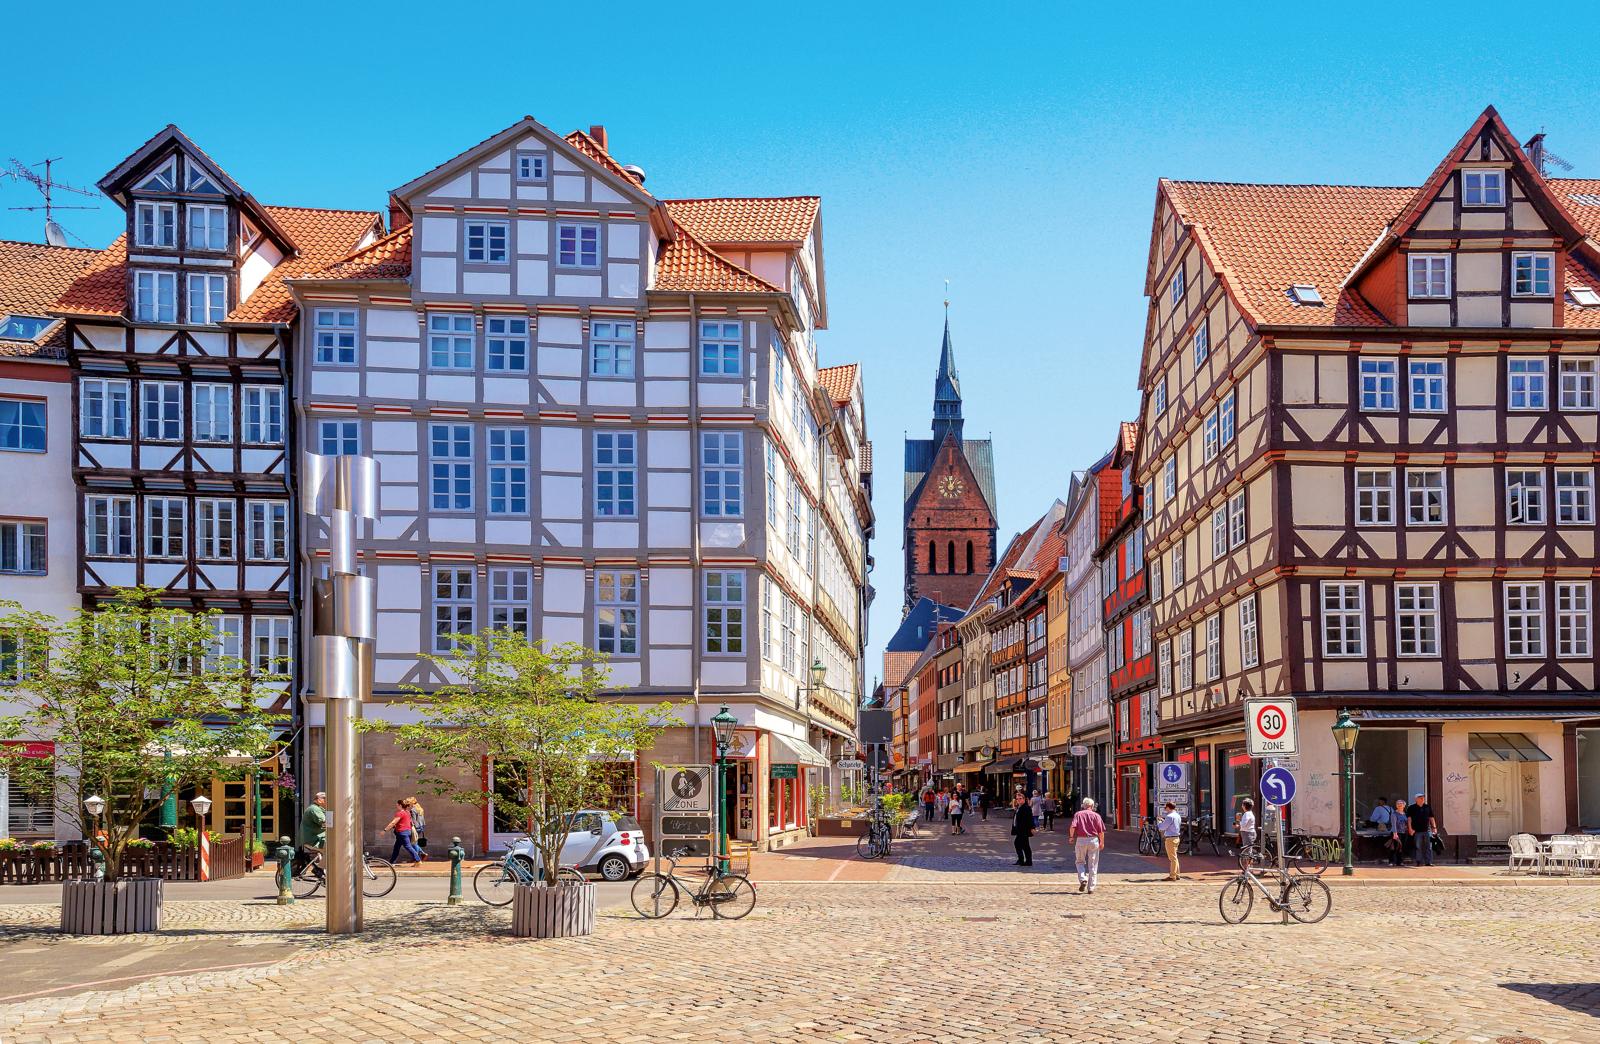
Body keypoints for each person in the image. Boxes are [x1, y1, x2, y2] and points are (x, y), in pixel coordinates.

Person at [1068, 797, 1106, 893]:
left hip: (1081, 839)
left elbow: (1072, 827)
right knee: (1093, 864)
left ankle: (1083, 878)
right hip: (1093, 840)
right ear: (1092, 806)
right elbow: (1101, 831)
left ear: (1083, 806)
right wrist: (1102, 842)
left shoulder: (1078, 814)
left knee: (1079, 861)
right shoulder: (1096, 816)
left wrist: (1071, 837)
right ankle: (1091, 888)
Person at [296, 791, 328, 878]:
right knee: (332, 849)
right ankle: (319, 869)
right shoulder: (314, 809)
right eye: (326, 799)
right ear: (319, 800)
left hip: (316, 838)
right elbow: (325, 822)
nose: (328, 801)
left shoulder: (318, 809)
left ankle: (321, 869)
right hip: (313, 840)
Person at [386, 797, 424, 865]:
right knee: (396, 847)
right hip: (405, 831)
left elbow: (394, 822)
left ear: (400, 805)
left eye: (397, 805)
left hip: (402, 832)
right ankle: (391, 862)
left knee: (408, 846)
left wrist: (385, 830)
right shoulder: (408, 812)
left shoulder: (401, 813)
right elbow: (408, 821)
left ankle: (418, 860)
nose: (396, 806)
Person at [1407, 792, 1437, 867]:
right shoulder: (1411, 808)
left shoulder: (1427, 807)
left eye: (1423, 797)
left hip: (1427, 830)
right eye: (1420, 797)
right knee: (1418, 847)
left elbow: (1431, 818)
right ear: (1416, 799)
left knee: (1429, 847)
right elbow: (1409, 819)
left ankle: (1428, 862)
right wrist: (1410, 829)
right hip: (1416, 831)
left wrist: (1434, 828)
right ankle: (1418, 861)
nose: (1422, 798)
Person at [1011, 791, 1035, 866]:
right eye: (1017, 799)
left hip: (1024, 830)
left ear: (1025, 799)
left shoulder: (1026, 808)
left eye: (1020, 798)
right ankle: (1024, 860)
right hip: (1019, 830)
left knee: (1020, 844)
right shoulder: (1019, 807)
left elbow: (1030, 819)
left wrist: (1032, 827)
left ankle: (1025, 860)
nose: (1018, 800)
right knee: (1024, 845)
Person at [1160, 801, 1183, 881]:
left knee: (1172, 858)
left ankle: (1172, 876)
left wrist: (1159, 822)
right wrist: (1164, 821)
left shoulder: (1169, 816)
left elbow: (1162, 827)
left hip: (1170, 838)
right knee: (1175, 857)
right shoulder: (1177, 815)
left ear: (1169, 807)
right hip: (1176, 837)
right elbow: (1172, 825)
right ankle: (1177, 874)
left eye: (1165, 807)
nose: (1165, 809)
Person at [1388, 797, 1408, 867]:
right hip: (1396, 833)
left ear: (1404, 805)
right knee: (1394, 848)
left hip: (1403, 833)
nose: (1399, 805)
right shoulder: (1394, 814)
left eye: (1401, 804)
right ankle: (1391, 861)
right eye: (1398, 804)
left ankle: (1399, 862)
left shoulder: (1405, 814)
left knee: (1401, 848)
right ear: (1396, 805)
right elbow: (1393, 824)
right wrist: (1395, 834)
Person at [1236, 799, 1257, 864]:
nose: (1242, 806)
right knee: (1248, 850)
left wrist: (1239, 820)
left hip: (1247, 833)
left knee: (1247, 851)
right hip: (1250, 832)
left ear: (1244, 806)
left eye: (1242, 805)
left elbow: (1243, 825)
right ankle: (1249, 868)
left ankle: (1248, 869)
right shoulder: (1250, 813)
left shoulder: (1246, 814)